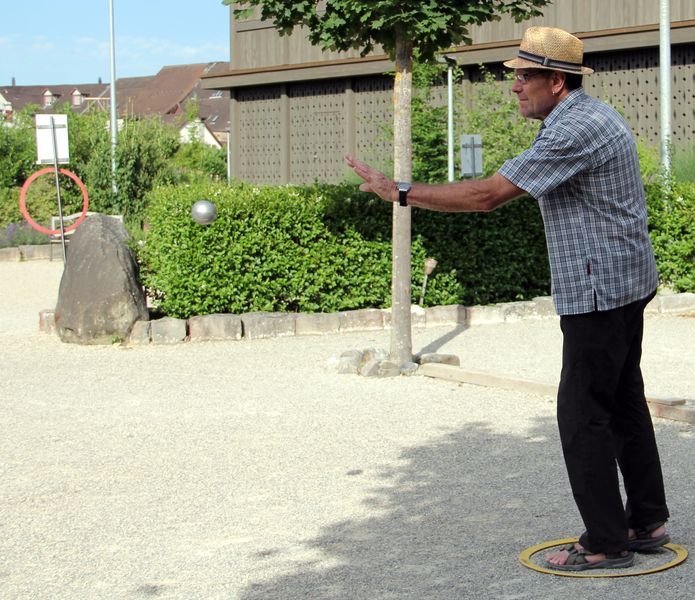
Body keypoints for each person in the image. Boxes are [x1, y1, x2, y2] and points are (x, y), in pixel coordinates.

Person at [345, 26, 670, 572]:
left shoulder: (574, 129)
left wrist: (398, 190)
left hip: (599, 288)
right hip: (621, 281)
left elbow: (486, 194)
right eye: (513, 76)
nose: (514, 87)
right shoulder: (585, 117)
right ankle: (647, 520)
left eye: (524, 77)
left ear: (558, 81)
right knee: (620, 400)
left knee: (581, 412)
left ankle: (607, 541)